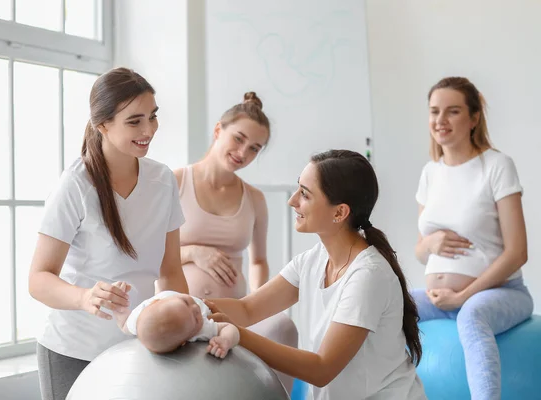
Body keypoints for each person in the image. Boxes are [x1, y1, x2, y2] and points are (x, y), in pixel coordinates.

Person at [206, 150, 426, 400]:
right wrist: (188, 306)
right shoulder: (313, 260)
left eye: (305, 194)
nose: (292, 201)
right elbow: (247, 310)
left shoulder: (369, 276)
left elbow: (322, 369)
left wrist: (236, 334)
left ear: (339, 213)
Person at [28, 67, 188, 400]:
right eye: (134, 121)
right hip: (73, 350)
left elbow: (171, 270)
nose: (149, 130)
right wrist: (84, 298)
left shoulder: (163, 181)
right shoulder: (75, 184)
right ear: (103, 124)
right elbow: (39, 279)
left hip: (137, 347)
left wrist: (183, 325)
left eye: (153, 117)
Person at [412, 77, 533, 400]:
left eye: (452, 111)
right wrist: (431, 244)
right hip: (441, 298)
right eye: (434, 111)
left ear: (474, 118)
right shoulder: (430, 173)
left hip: (501, 292)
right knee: (386, 307)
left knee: (473, 315)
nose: (440, 121)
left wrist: (464, 295)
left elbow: (517, 253)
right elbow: (420, 250)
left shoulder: (496, 166)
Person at [173, 91, 298, 392]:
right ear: (218, 130)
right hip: (181, 310)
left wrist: (253, 304)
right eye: (238, 139)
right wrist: (193, 253)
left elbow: (258, 261)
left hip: (234, 314)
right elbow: (146, 254)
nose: (243, 153)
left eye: (255, 148)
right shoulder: (175, 181)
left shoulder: (254, 199)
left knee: (283, 327)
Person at [111, 281, 240, 358]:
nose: (195, 307)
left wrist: (118, 303)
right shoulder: (199, 330)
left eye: (186, 301)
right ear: (184, 342)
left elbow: (124, 325)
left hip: (166, 299)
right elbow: (229, 327)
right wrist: (226, 340)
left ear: (154, 301)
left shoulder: (139, 316)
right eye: (196, 318)